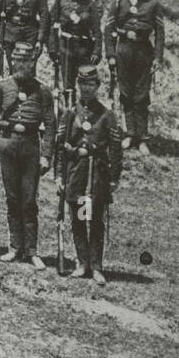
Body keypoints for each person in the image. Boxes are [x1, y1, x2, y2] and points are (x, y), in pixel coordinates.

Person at [0, 41, 55, 267]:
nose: (22, 64)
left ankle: (31, 250)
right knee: (12, 198)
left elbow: (51, 125)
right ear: (12, 61)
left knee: (29, 200)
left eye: (27, 60)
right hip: (7, 146)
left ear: (32, 62)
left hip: (31, 148)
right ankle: (15, 247)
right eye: (18, 60)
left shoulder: (42, 90)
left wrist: (46, 155)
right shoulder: (3, 87)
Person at [55, 65, 123, 285]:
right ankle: (82, 262)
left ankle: (96, 266)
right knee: (78, 218)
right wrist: (59, 175)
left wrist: (113, 178)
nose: (86, 89)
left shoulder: (106, 115)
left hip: (96, 175)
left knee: (94, 220)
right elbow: (60, 148)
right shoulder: (70, 113)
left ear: (97, 86)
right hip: (77, 174)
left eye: (90, 84)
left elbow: (115, 148)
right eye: (82, 84)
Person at [104, 0, 165, 153]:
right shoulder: (118, 1)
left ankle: (142, 138)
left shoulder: (153, 3)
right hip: (123, 51)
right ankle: (130, 134)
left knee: (142, 95)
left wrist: (157, 58)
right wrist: (111, 56)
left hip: (143, 52)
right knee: (125, 93)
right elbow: (108, 30)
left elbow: (160, 33)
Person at [48, 0, 102, 103]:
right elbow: (52, 25)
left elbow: (96, 29)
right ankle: (69, 112)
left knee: (87, 81)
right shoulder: (60, 1)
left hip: (84, 48)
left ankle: (85, 112)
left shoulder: (90, 3)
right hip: (66, 47)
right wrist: (53, 48)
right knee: (68, 84)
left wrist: (96, 50)